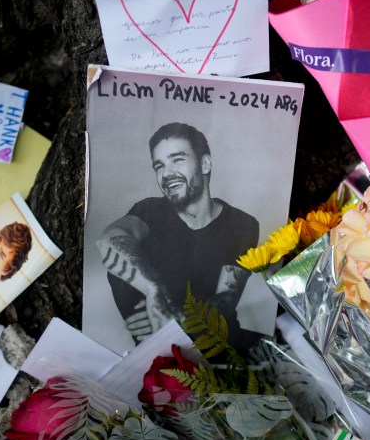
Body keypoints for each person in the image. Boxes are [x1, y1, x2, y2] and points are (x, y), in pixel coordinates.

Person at [97, 122, 259, 347]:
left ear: (205, 163)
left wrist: (169, 318)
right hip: (156, 358)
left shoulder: (242, 224)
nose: (167, 173)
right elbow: (108, 240)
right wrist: (154, 291)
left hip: (221, 353)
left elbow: (224, 303)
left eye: (178, 159)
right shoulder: (148, 211)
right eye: (159, 166)